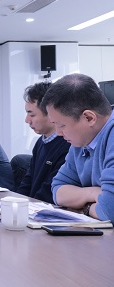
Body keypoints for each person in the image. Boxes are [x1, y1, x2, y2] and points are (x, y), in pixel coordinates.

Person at [42, 73, 114, 221]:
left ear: (89, 118)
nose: (58, 133)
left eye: (62, 125)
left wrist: (84, 208)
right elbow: (58, 190)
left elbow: (109, 210)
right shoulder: (82, 140)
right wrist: (91, 193)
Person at [16, 82, 69, 203]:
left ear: (51, 113)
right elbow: (28, 180)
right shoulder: (41, 142)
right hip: (32, 207)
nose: (27, 120)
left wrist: (29, 207)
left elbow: (49, 191)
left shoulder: (68, 144)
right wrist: (16, 202)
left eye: (32, 115)